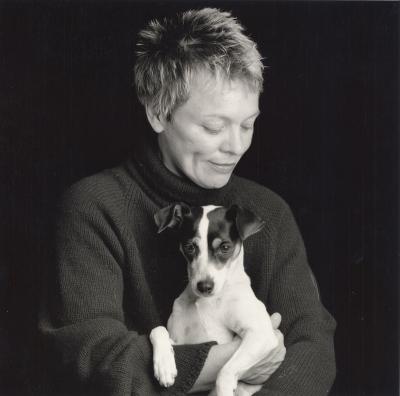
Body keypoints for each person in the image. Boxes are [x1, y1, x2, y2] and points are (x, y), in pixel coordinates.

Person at [39, 8, 336, 396]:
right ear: (159, 113)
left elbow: (313, 347)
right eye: (214, 127)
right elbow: (91, 356)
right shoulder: (93, 208)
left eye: (247, 124)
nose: (236, 146)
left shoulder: (268, 212)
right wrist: (230, 360)